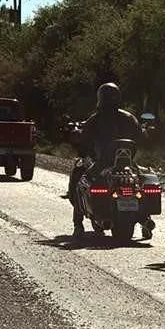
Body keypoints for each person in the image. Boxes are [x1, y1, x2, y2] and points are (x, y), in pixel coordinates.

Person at [63, 82, 142, 237]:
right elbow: (140, 136)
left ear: (100, 97)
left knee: (81, 183)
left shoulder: (96, 119)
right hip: (128, 163)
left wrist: (77, 136)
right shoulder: (129, 118)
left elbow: (84, 140)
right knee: (141, 181)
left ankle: (78, 225)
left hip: (102, 163)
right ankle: (145, 218)